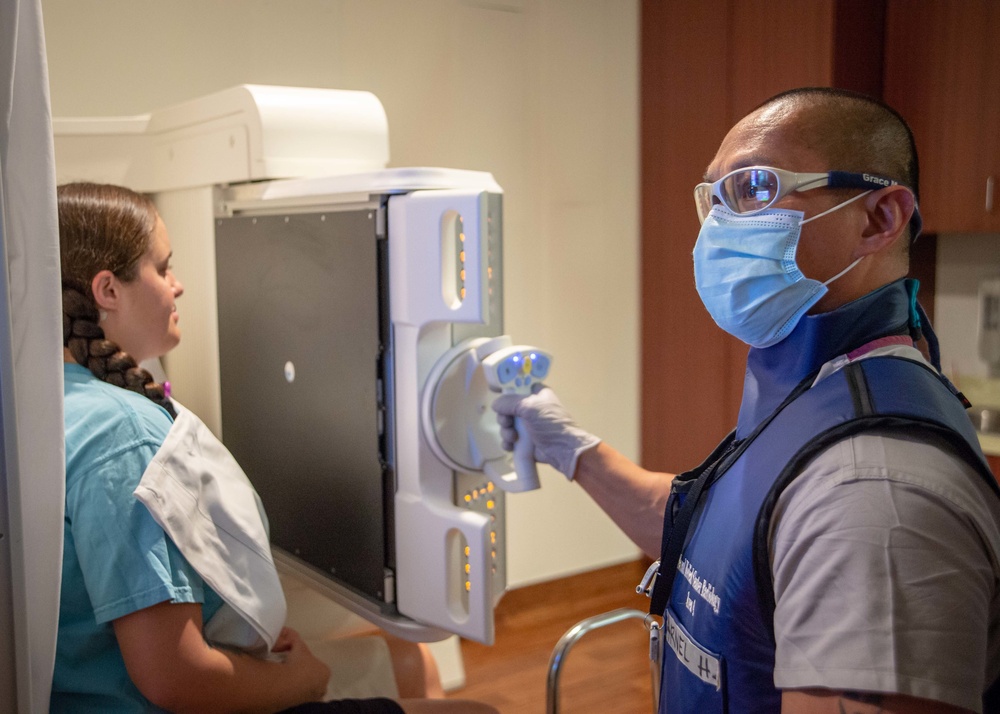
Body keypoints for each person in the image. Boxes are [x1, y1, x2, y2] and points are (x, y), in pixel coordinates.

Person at [493, 88, 1000, 714]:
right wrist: (572, 449)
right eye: (713, 199)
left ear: (880, 218)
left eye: (755, 188)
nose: (718, 228)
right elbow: (731, 541)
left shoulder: (874, 491)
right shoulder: (817, 387)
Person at [55, 182, 497, 714]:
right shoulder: (125, 437)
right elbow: (175, 678)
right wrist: (304, 683)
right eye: (163, 268)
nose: (178, 286)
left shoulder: (58, 402)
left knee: (410, 659)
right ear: (107, 290)